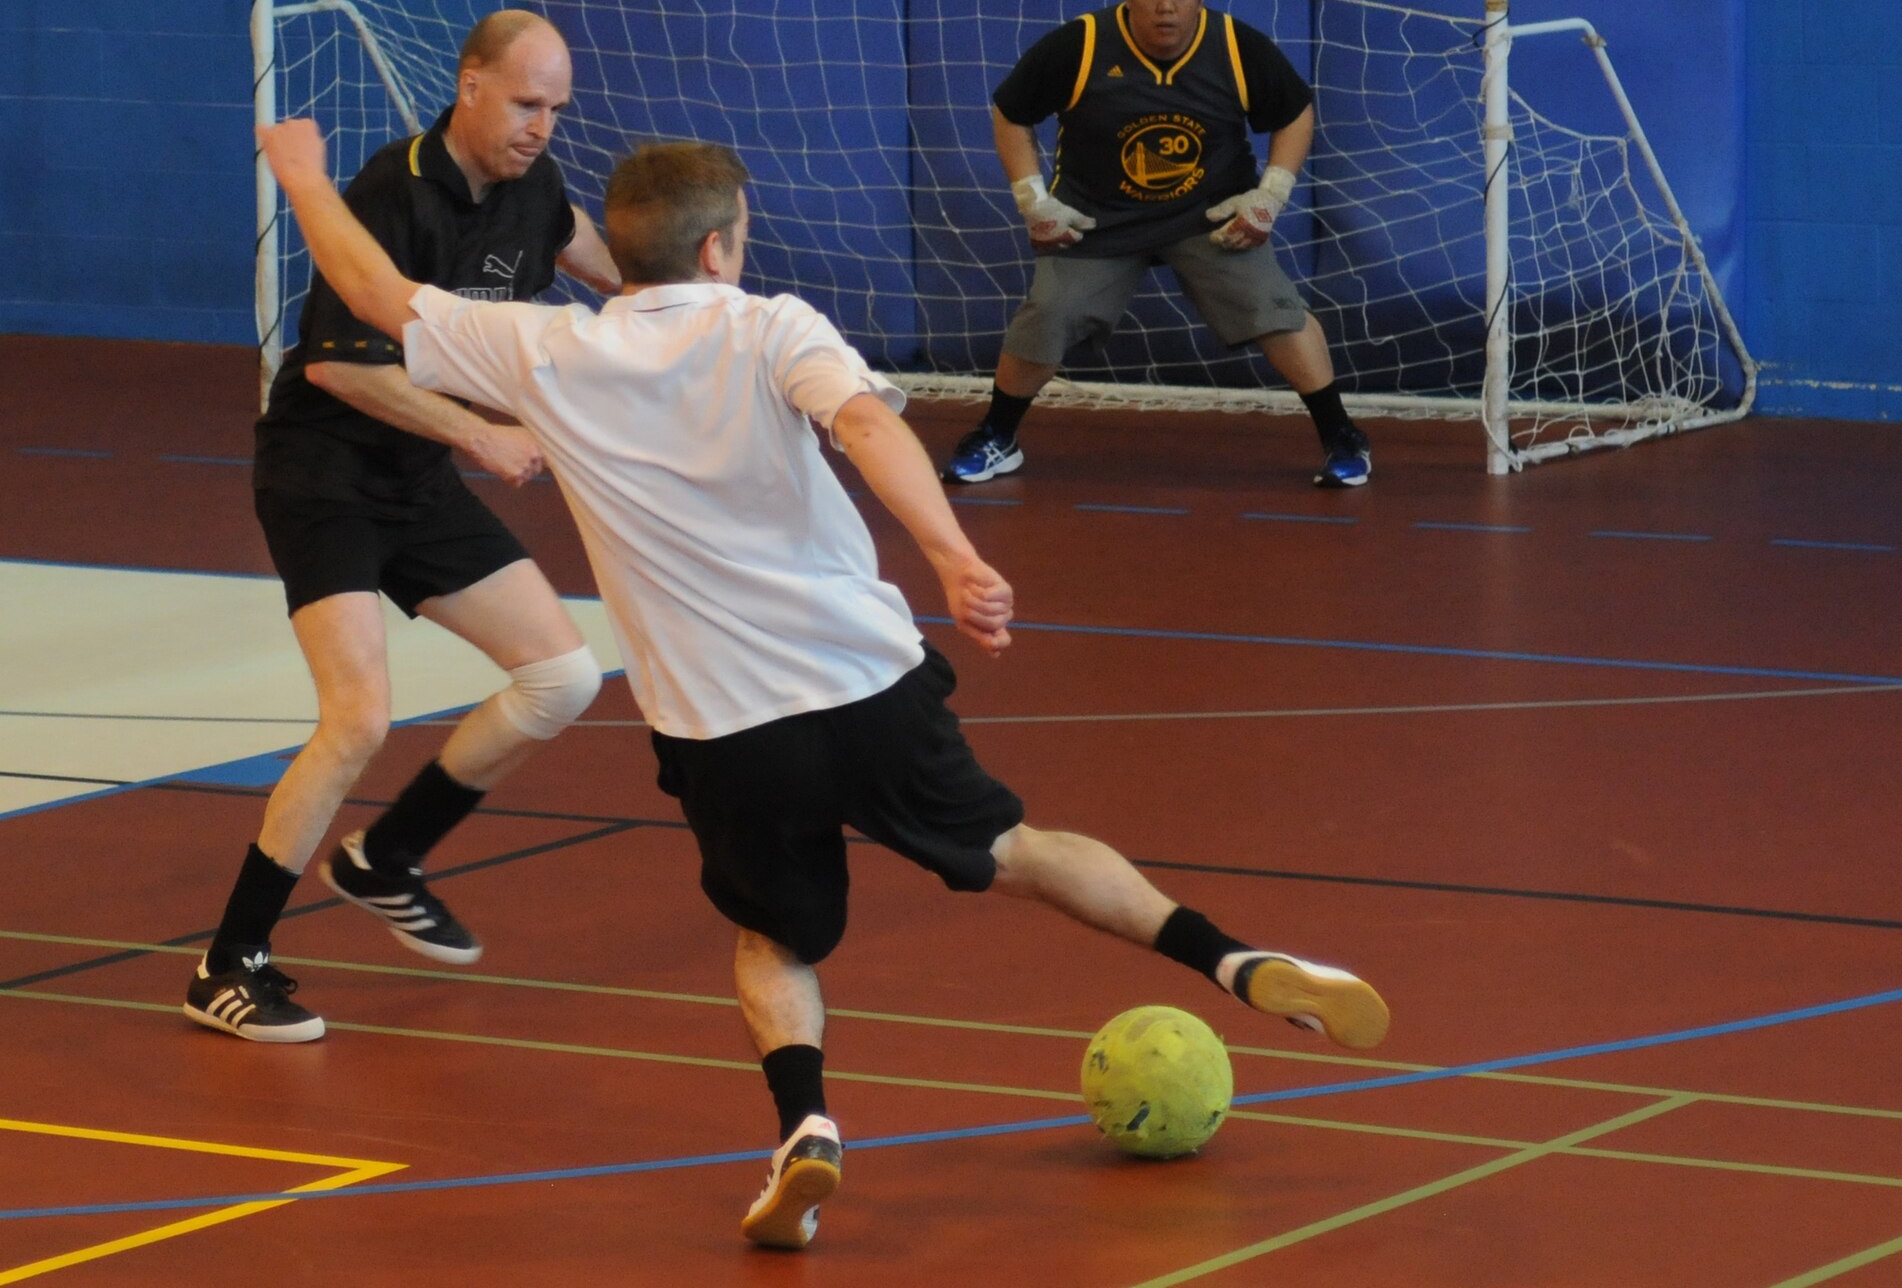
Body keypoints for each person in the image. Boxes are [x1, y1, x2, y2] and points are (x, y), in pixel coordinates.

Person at [256, 118, 1392, 1250]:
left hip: (720, 726)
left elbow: (369, 287)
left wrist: (304, 174)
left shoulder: (542, 347)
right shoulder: (771, 327)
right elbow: (859, 423)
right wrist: (951, 553)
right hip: (864, 681)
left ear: (626, 250)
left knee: (775, 939)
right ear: (719, 250)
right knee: (1017, 851)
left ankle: (804, 1125)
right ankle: (1231, 959)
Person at [183, 12, 620, 1045]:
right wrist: (480, 434)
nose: (541, 126)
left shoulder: (536, 187)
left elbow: (598, 260)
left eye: (557, 109)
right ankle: (226, 962)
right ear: (469, 85)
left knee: (563, 676)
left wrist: (690, 300)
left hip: (415, 479)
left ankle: (387, 856)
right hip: (324, 474)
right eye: (525, 103)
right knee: (358, 721)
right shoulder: (389, 191)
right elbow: (339, 366)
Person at [941, 0, 1371, 490]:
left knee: (1274, 309)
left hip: (1208, 217)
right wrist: (1034, 200)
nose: (1166, 5)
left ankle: (1342, 435)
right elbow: (1009, 112)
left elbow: (1294, 112)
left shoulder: (1237, 46)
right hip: (1098, 219)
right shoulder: (1083, 43)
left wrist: (1270, 195)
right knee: (1049, 312)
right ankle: (997, 435)